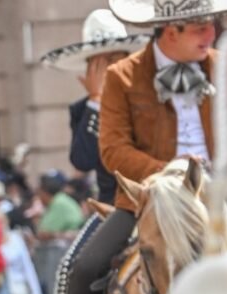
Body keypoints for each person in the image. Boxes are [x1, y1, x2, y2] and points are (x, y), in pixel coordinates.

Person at [49, 0, 227, 294]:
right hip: (152, 198)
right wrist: (170, 175)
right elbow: (112, 150)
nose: (211, 35)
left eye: (211, 25)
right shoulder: (123, 77)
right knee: (83, 268)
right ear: (171, 30)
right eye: (200, 27)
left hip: (225, 197)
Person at [42, 9, 150, 206]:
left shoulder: (149, 98)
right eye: (99, 62)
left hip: (155, 197)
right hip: (114, 205)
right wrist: (96, 101)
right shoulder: (82, 110)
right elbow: (82, 161)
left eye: (114, 59)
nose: (108, 69)